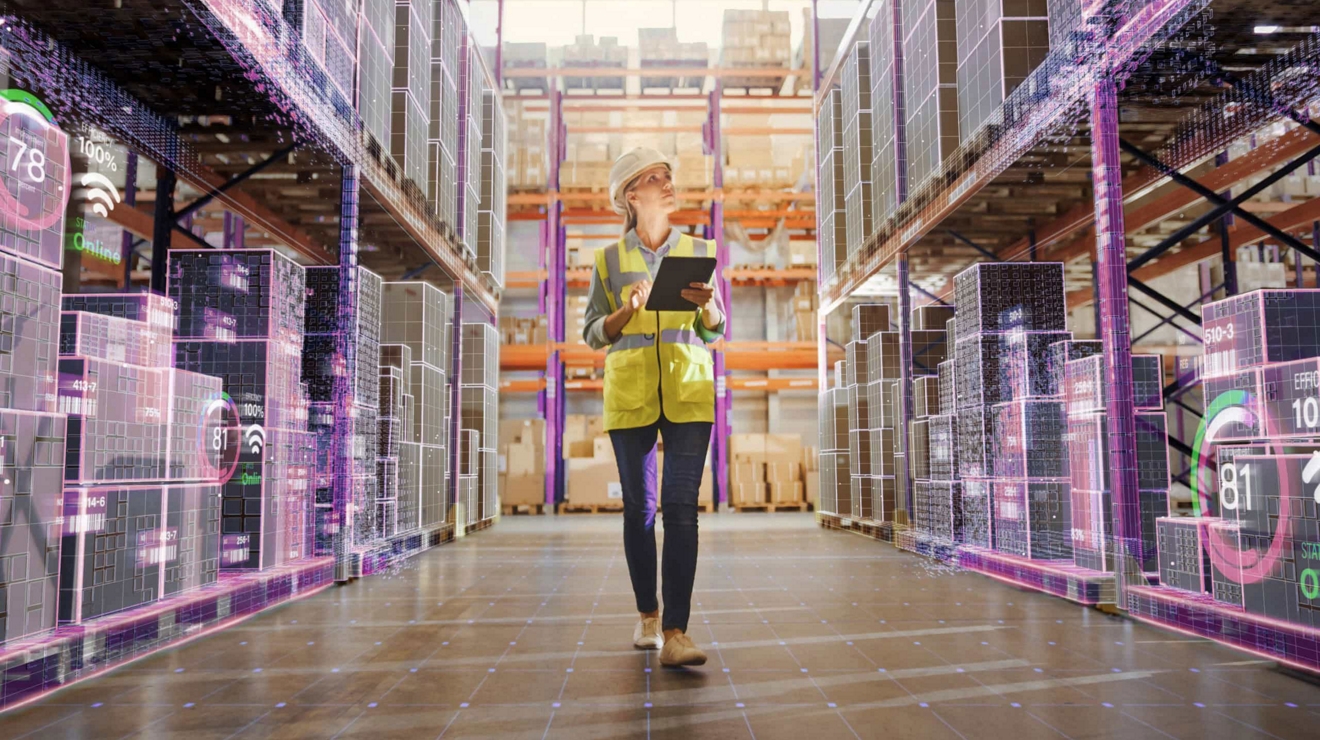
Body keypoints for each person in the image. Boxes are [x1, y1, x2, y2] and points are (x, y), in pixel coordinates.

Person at [581, 147, 725, 668]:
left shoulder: (699, 248)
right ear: (630, 195)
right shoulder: (609, 260)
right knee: (641, 513)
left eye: (668, 176)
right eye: (653, 178)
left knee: (682, 511)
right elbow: (593, 332)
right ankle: (647, 615)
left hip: (688, 393)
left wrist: (708, 304)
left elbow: (716, 326)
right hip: (632, 395)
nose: (667, 184)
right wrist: (625, 311)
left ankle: (677, 632)